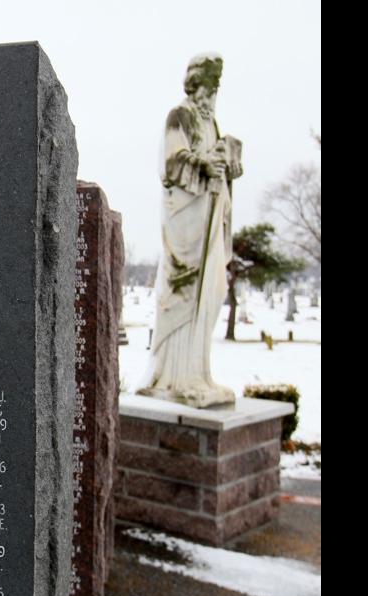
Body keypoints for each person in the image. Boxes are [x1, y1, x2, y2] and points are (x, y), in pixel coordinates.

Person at [139, 53, 242, 408]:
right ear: (194, 84)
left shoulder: (212, 123)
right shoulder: (179, 115)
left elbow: (215, 164)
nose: (211, 94)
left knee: (212, 289)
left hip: (209, 216)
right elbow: (171, 163)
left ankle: (197, 373)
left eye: (216, 87)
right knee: (182, 291)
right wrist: (203, 163)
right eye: (208, 85)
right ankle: (173, 377)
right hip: (185, 221)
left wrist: (226, 164)